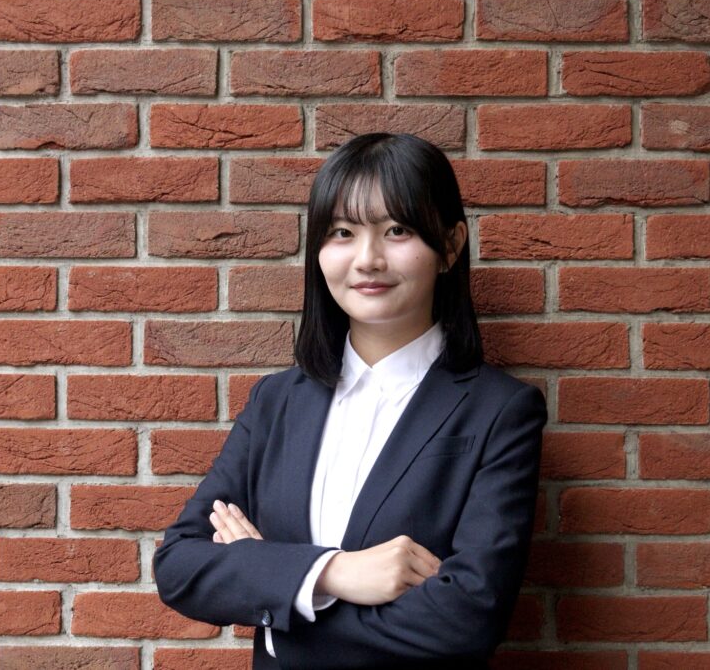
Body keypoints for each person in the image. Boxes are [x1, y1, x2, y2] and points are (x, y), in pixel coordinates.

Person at [153, 133, 548, 670]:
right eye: (342, 232)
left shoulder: (500, 412)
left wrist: (275, 601)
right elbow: (180, 565)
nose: (367, 259)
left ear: (450, 245)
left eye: (397, 230)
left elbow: (468, 617)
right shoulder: (277, 402)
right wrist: (332, 573)